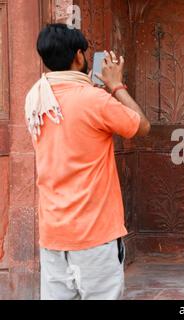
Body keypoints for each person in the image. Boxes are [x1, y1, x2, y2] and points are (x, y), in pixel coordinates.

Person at [26, 23, 150, 299]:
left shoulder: (35, 99)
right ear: (79, 57)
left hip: (53, 235)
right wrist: (115, 85)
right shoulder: (93, 99)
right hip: (94, 236)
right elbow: (141, 126)